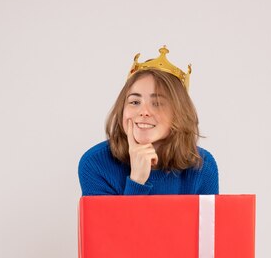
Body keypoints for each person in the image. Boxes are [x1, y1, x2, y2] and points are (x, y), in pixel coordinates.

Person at [78, 46, 219, 196]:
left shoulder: (203, 166)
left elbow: (210, 220)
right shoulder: (95, 163)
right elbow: (108, 221)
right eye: (135, 102)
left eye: (157, 103)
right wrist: (137, 180)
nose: (144, 112)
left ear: (178, 113)